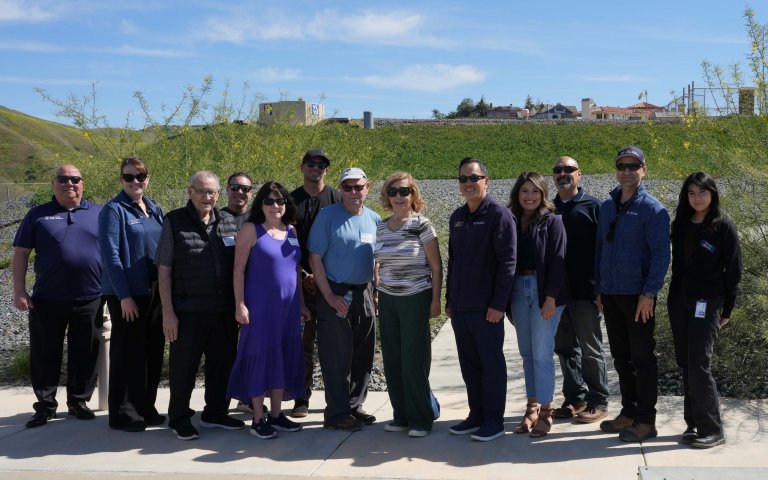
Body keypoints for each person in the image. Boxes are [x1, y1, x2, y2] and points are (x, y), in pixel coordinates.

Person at [156, 171, 244, 441]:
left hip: (223, 311)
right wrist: (168, 314)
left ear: (219, 194)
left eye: (212, 192)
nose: (207, 197)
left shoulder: (229, 222)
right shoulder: (174, 221)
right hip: (188, 311)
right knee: (184, 368)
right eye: (202, 191)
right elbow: (164, 270)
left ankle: (215, 412)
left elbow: (239, 266)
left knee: (222, 365)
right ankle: (179, 417)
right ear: (190, 192)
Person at [12, 164, 102, 428]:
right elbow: (20, 254)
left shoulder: (99, 213)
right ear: (53, 184)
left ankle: (79, 401)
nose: (69, 183)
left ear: (83, 184)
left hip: (91, 297)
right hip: (48, 298)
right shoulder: (37, 215)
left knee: (86, 353)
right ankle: (45, 406)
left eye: (75, 179)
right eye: (63, 179)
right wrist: (19, 291)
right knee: (44, 353)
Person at [595, 146, 670, 443]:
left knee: (642, 359)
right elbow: (600, 248)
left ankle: (646, 421)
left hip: (638, 298)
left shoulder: (653, 209)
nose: (627, 171)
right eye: (622, 166)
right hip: (611, 294)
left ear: (643, 170)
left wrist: (649, 293)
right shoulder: (608, 205)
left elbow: (661, 254)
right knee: (621, 358)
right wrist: (599, 288)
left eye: (633, 166)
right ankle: (628, 412)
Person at [227, 182, 309, 439]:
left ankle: (276, 415)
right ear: (260, 204)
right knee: (259, 355)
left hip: (289, 307)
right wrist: (240, 304)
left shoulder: (291, 230)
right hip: (260, 307)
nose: (276, 206)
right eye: (270, 201)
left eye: (281, 200)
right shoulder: (251, 229)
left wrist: (303, 304)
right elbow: (238, 269)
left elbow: (295, 270)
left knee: (282, 356)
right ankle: (258, 418)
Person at [668, 172, 741, 449]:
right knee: (686, 363)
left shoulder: (723, 227)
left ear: (713, 194)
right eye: (691, 193)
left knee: (699, 363)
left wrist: (727, 311)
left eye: (702, 192)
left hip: (707, 303)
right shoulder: (682, 225)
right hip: (680, 301)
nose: (697, 198)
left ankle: (713, 428)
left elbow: (733, 272)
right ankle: (694, 424)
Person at [446, 157, 516, 442]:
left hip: (488, 309)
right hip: (461, 307)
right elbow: (453, 262)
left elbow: (508, 263)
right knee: (469, 365)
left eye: (474, 178)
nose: (468, 183)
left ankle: (493, 421)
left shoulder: (499, 215)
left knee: (491, 365)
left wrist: (499, 304)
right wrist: (449, 300)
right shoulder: (457, 217)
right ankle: (476, 415)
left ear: (486, 180)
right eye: (463, 178)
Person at [307, 167, 381, 431]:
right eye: (347, 187)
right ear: (340, 189)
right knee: (337, 355)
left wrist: (375, 289)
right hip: (335, 292)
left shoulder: (374, 218)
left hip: (364, 293)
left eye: (358, 187)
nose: (353, 192)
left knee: (363, 353)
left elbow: (375, 259)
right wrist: (328, 295)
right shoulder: (327, 217)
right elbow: (314, 258)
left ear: (367, 187)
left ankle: (354, 406)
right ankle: (337, 413)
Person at [99, 157, 165, 432]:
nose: (135, 181)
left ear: (148, 178)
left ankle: (146, 407)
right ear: (121, 180)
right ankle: (124, 414)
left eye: (140, 176)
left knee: (152, 352)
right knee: (128, 354)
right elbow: (111, 256)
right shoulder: (114, 211)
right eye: (129, 177)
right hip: (127, 294)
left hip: (155, 290)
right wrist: (124, 296)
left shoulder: (154, 207)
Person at [375, 172, 442, 438]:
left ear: (413, 194)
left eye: (404, 191)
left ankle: (421, 418)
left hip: (415, 297)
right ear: (387, 196)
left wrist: (436, 300)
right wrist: (377, 290)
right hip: (388, 299)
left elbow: (436, 267)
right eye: (393, 192)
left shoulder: (422, 225)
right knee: (392, 359)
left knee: (413, 360)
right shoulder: (381, 226)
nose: (399, 197)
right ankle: (401, 415)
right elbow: (378, 262)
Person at [507, 172, 568, 438]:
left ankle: (546, 410)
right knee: (527, 353)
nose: (529, 196)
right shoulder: (511, 220)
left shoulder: (553, 222)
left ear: (543, 194)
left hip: (544, 292)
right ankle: (531, 407)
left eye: (535, 191)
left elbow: (559, 260)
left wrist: (551, 298)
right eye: (524, 191)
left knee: (542, 353)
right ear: (517, 194)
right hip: (518, 291)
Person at [551, 156, 610, 423]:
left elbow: (604, 250)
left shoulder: (594, 207)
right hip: (557, 293)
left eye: (569, 170)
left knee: (591, 349)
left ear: (579, 174)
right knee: (565, 348)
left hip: (586, 292)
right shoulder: (548, 208)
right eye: (558, 170)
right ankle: (574, 398)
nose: (563, 174)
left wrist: (601, 288)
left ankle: (598, 401)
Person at [289, 149, 342, 418]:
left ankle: (338, 401)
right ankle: (301, 398)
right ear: (302, 167)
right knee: (302, 345)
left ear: (326, 170)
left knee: (334, 346)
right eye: (311, 163)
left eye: (322, 164)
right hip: (299, 286)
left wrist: (323, 278)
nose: (316, 168)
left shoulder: (337, 199)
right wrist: (302, 275)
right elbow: (282, 243)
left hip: (331, 286)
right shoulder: (289, 201)